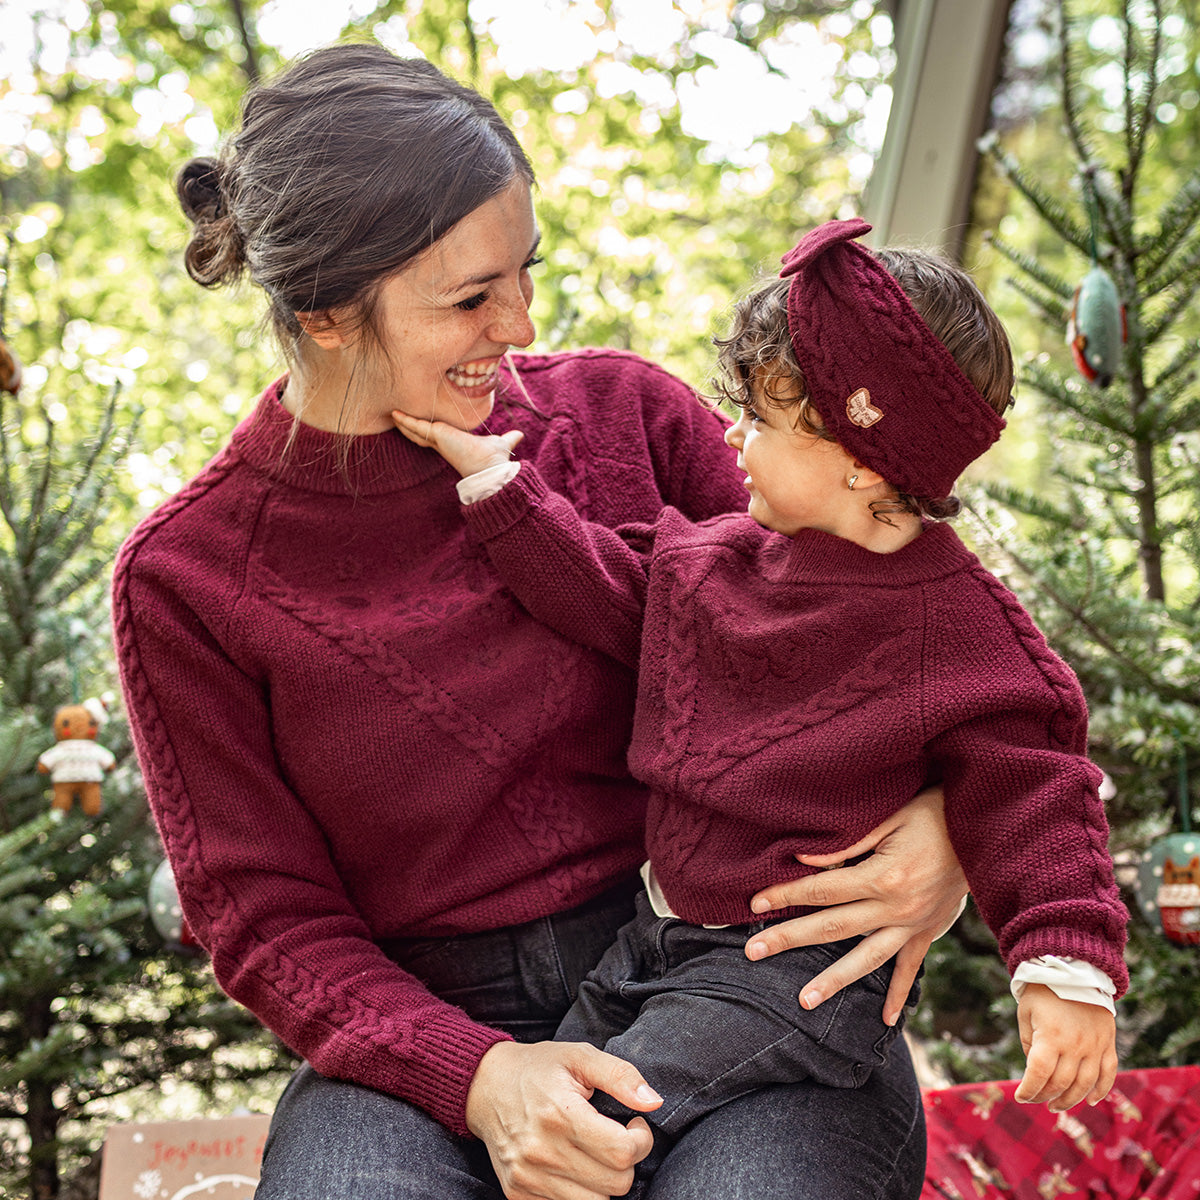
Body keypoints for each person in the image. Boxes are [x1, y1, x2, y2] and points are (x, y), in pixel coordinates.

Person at [113, 44, 967, 1200]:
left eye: (525, 271)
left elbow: (909, 633)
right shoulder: (187, 579)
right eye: (470, 297)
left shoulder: (631, 419)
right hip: (418, 1038)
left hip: (731, 966)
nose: (520, 321)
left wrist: (947, 832)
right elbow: (267, 921)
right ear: (323, 313)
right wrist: (478, 1077)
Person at [391, 218, 1129, 1193]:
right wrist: (494, 480)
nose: (735, 439)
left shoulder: (955, 622)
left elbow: (1041, 791)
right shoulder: (720, 559)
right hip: (653, 943)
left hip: (794, 975)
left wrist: (1065, 969)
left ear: (860, 460)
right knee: (552, 1100)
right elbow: (604, 587)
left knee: (594, 1121)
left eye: (765, 421)